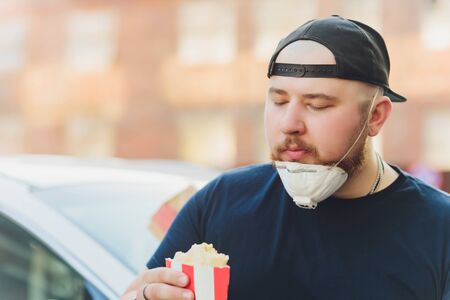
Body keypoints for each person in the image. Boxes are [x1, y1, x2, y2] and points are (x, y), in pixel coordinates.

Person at [122, 15, 450, 300]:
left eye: (318, 105)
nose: (289, 124)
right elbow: (136, 292)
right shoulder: (220, 202)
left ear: (376, 116)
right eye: (279, 101)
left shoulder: (439, 229)